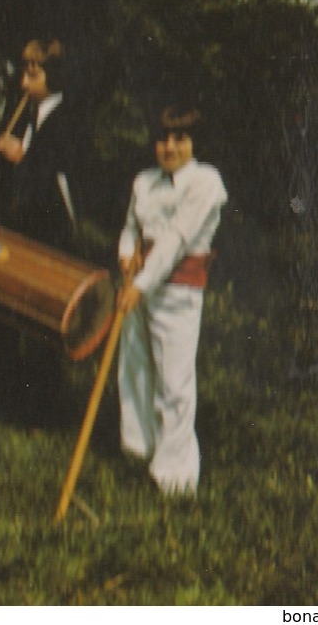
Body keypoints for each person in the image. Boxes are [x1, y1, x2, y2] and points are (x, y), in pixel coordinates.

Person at [116, 105, 227, 497]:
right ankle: (138, 448)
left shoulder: (205, 183)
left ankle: (174, 474)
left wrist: (141, 284)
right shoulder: (144, 182)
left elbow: (177, 240)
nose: (169, 147)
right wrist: (126, 253)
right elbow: (131, 228)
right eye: (162, 139)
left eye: (179, 139)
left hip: (176, 292)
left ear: (194, 143)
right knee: (135, 366)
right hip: (140, 286)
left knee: (174, 381)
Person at [0, 40, 81, 251]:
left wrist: (22, 158)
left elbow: (53, 184)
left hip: (49, 236)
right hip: (19, 226)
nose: (24, 84)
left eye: (32, 77)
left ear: (53, 76)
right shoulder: (30, 116)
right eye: (24, 75)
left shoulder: (64, 122)